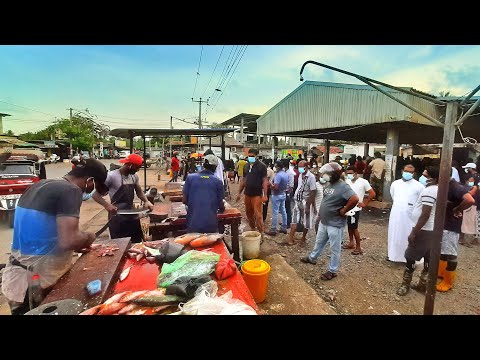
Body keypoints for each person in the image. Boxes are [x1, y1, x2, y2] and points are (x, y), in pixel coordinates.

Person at [1, 159, 109, 315]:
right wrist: (88, 237)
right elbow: (69, 240)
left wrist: (78, 246)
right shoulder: (70, 191)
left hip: (16, 278)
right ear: (89, 181)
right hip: (34, 284)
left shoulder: (38, 185)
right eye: (95, 186)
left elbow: (44, 232)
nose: (92, 190)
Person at [300, 162, 359, 281]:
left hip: (335, 224)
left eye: (328, 173)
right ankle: (312, 258)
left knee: (335, 248)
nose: (325, 175)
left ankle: (332, 271)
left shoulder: (343, 186)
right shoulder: (328, 184)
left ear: (335, 174)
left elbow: (355, 199)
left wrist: (344, 210)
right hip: (324, 221)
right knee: (319, 242)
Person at [396, 166, 439, 296]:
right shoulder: (438, 189)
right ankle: (423, 284)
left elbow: (425, 214)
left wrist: (414, 231)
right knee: (428, 258)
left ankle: (405, 285)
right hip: (433, 230)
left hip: (424, 230)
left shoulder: (429, 191)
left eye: (426, 175)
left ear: (434, 178)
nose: (423, 177)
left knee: (410, 257)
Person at [93, 153, 154, 242]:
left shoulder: (134, 176)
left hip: (131, 214)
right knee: (119, 244)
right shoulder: (112, 176)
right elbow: (95, 195)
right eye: (136, 167)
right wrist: (106, 205)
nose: (137, 170)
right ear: (129, 165)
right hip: (117, 216)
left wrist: (146, 201)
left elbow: (139, 191)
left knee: (136, 241)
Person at [436, 175, 476, 292]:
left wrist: (457, 209)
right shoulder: (449, 185)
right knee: (444, 250)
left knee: (451, 253)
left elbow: (470, 200)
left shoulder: (454, 187)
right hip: (445, 224)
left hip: (451, 225)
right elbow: (472, 189)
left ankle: (448, 281)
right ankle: (441, 273)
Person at [387, 164, 424, 262]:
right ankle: (393, 255)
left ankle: (408, 258)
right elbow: (393, 195)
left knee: (408, 235)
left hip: (410, 216)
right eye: (406, 171)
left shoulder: (419, 186)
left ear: (414, 173)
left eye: (411, 172)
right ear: (402, 171)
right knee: (394, 233)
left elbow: (421, 201)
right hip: (396, 213)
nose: (408, 173)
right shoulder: (395, 184)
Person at [183, 154, 225, 233]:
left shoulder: (190, 178)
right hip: (210, 224)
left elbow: (184, 200)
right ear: (215, 168)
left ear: (203, 165)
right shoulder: (218, 181)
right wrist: (222, 209)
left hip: (192, 223)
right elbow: (220, 204)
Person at [343, 166, 375, 255]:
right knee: (349, 226)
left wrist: (365, 203)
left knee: (354, 228)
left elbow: (372, 193)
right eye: (347, 173)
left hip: (355, 209)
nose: (349, 175)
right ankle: (351, 243)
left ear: (355, 173)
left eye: (350, 173)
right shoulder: (347, 181)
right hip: (348, 207)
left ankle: (358, 247)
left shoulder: (363, 182)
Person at [236, 148, 268, 233]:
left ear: (256, 156)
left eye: (252, 156)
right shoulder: (246, 166)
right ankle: (253, 229)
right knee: (248, 213)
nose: (250, 158)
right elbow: (244, 180)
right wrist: (239, 192)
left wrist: (265, 195)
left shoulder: (262, 166)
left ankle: (261, 233)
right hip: (247, 193)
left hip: (257, 194)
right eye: (249, 156)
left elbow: (265, 180)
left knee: (258, 215)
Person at [287, 160, 317, 246]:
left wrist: (308, 206)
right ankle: (290, 238)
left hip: (306, 201)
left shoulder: (311, 177)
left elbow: (313, 192)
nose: (300, 169)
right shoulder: (300, 175)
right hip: (298, 200)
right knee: (294, 219)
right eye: (299, 167)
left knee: (306, 222)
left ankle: (303, 238)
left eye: (301, 167)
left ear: (306, 167)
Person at [458, 162, 479, 247]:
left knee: (468, 222)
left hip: (471, 204)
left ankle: (464, 240)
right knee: (468, 223)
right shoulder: (476, 179)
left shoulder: (471, 181)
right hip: (472, 204)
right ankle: (465, 240)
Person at [266, 161, 289, 236]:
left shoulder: (278, 175)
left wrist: (270, 184)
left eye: (275, 166)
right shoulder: (285, 174)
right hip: (283, 194)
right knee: (283, 211)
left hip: (276, 195)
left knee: (275, 212)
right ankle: (284, 227)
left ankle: (273, 229)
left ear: (278, 167)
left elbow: (275, 187)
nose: (274, 167)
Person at [284, 158, 295, 228]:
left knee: (288, 208)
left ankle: (288, 223)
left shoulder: (290, 173)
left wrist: (288, 194)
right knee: (284, 208)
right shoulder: (286, 171)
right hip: (285, 191)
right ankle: (285, 222)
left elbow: (291, 185)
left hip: (288, 192)